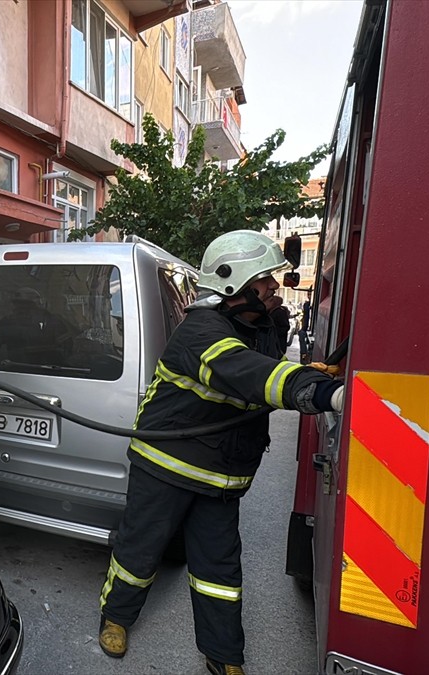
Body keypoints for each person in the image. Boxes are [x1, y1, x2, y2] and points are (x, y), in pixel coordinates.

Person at [97, 230, 345, 675]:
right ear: (236, 281)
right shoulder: (201, 332)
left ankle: (224, 655)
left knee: (220, 571)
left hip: (221, 476)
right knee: (140, 551)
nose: (273, 285)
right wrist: (323, 393)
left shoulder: (260, 326)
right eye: (265, 278)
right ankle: (116, 618)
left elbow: (263, 369)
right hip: (167, 466)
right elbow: (246, 373)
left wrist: (303, 372)